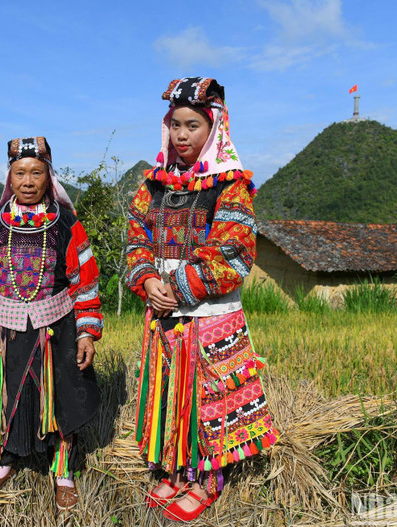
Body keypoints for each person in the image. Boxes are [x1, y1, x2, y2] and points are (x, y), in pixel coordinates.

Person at [125, 77, 279, 522]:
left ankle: (209, 477)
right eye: (175, 125)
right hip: (165, 316)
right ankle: (175, 466)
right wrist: (146, 279)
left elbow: (233, 249)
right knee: (172, 396)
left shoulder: (230, 186)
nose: (182, 135)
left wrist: (180, 286)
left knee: (210, 399)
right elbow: (137, 237)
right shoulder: (153, 186)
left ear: (213, 128)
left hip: (209, 318)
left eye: (192, 125)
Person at [0, 137, 102, 511]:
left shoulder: (66, 223)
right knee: (6, 397)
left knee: (61, 398)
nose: (28, 180)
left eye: (37, 172)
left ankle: (63, 468)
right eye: (20, 172)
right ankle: (4, 460)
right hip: (6, 329)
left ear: (49, 177)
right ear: (10, 176)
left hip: (56, 327)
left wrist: (87, 330)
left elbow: (85, 279)